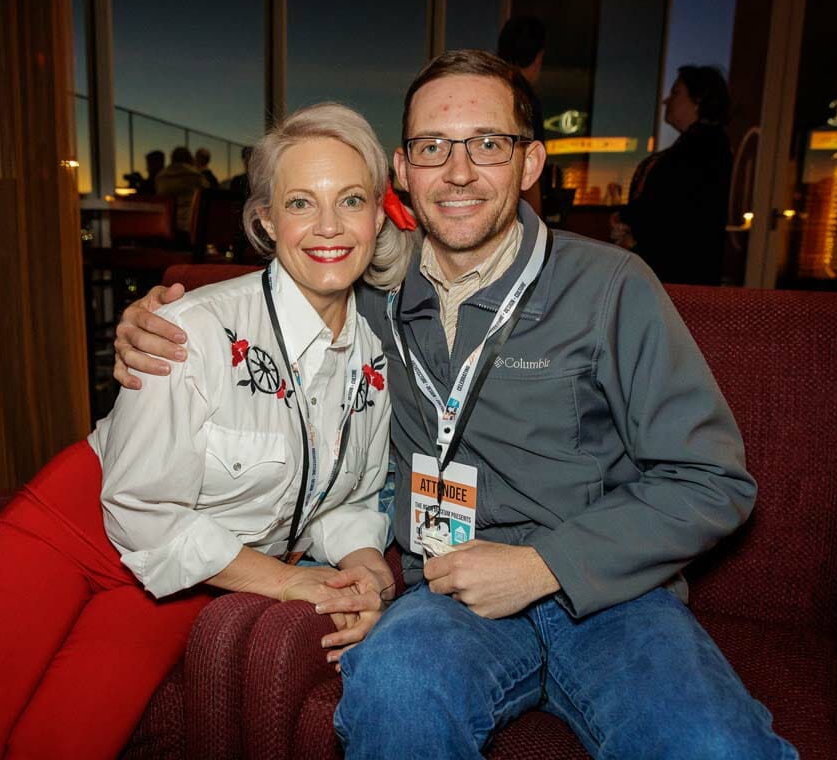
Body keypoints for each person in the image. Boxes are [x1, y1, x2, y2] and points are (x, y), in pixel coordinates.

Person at [114, 50, 796, 758]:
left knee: (714, 745)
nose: (459, 171)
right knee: (394, 693)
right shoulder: (367, 296)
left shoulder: (612, 286)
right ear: (403, 171)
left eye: (488, 144)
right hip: (446, 596)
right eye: (433, 147)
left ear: (530, 163)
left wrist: (543, 566)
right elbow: (276, 292)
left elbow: (712, 480)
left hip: (613, 597)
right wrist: (162, 321)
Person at [0, 102, 416, 760]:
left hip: (191, 573)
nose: (329, 226)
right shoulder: (190, 327)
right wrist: (287, 581)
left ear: (377, 215)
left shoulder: (374, 358)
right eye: (301, 202)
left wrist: (363, 568)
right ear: (267, 221)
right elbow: (141, 509)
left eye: (350, 199)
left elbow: (343, 500)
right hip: (77, 528)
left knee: (61, 745)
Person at [610, 65, 733, 285]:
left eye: (676, 93)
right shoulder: (700, 147)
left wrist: (629, 219)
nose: (666, 101)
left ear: (698, 100)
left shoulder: (703, 149)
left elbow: (669, 207)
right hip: (675, 273)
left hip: (677, 276)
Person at [498, 15, 547, 214]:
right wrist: (537, 224)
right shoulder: (526, 99)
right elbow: (529, 174)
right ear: (538, 58)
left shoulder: (490, 92)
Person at [156, 145, 209, 237]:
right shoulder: (197, 177)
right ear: (190, 159)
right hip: (191, 225)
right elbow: (207, 194)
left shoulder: (160, 177)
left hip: (165, 225)